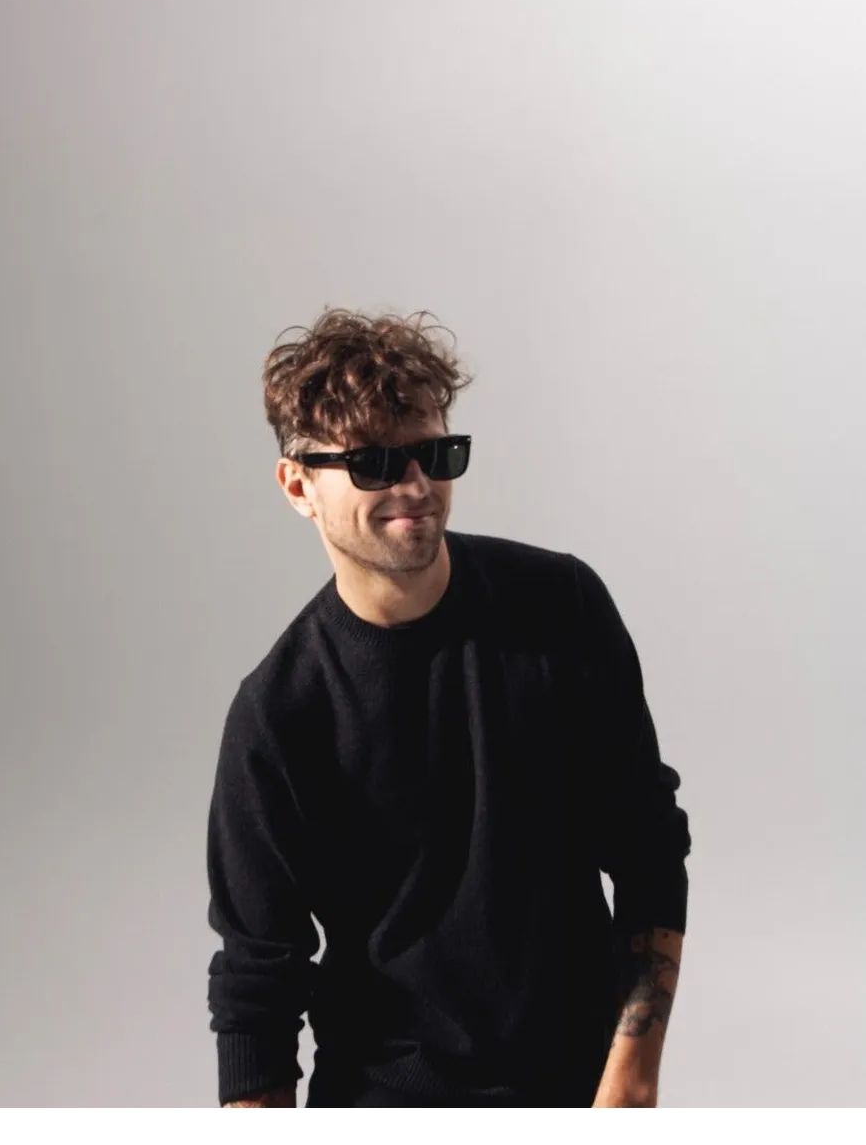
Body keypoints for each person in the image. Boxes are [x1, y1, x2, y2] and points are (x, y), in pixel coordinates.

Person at [206, 308, 692, 1112]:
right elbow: (258, 975)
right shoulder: (279, 714)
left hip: (578, 1094)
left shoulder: (560, 608)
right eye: (373, 463)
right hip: (381, 1101)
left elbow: (648, 847)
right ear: (298, 486)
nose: (414, 487)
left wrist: (630, 1088)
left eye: (434, 454)